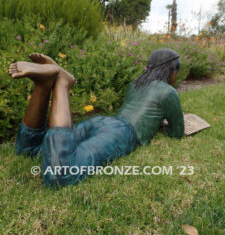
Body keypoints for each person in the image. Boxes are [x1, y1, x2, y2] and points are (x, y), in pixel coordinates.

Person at [8, 48, 184, 187]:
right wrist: (165, 125)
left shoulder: (135, 84)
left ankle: (43, 87)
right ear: (172, 70)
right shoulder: (168, 92)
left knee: (30, 151)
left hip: (102, 121)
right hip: (121, 133)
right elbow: (177, 132)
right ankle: (62, 82)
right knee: (62, 174)